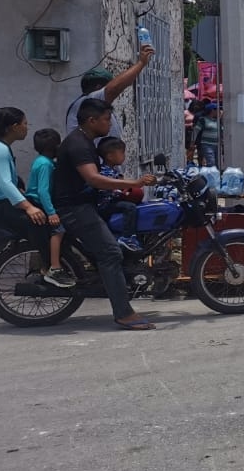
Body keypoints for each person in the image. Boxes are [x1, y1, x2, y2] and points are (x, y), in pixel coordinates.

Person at [52, 98, 157, 330]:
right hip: (75, 209)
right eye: (106, 119)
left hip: (85, 204)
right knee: (110, 253)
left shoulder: (86, 141)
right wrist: (134, 182)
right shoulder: (79, 144)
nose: (110, 124)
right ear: (92, 121)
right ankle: (123, 313)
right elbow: (93, 178)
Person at [0, 108, 70, 286]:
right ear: (14, 127)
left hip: (2, 202)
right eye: (25, 124)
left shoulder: (0, 147)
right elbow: (4, 183)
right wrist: (28, 207)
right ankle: (51, 268)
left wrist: (22, 196)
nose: (27, 127)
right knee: (42, 223)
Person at [63, 43, 154, 139]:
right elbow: (113, 89)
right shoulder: (88, 102)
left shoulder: (94, 105)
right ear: (98, 87)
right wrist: (141, 63)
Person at [24, 127, 76, 288]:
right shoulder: (45, 165)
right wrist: (51, 212)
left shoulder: (42, 161)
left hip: (41, 202)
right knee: (58, 230)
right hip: (39, 203)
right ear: (53, 147)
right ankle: (55, 267)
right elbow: (42, 191)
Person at [95, 137, 144, 253]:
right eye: (122, 153)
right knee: (130, 207)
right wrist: (123, 192)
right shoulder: (105, 171)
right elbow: (107, 188)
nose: (124, 156)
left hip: (112, 202)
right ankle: (127, 237)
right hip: (105, 204)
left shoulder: (114, 171)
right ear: (110, 156)